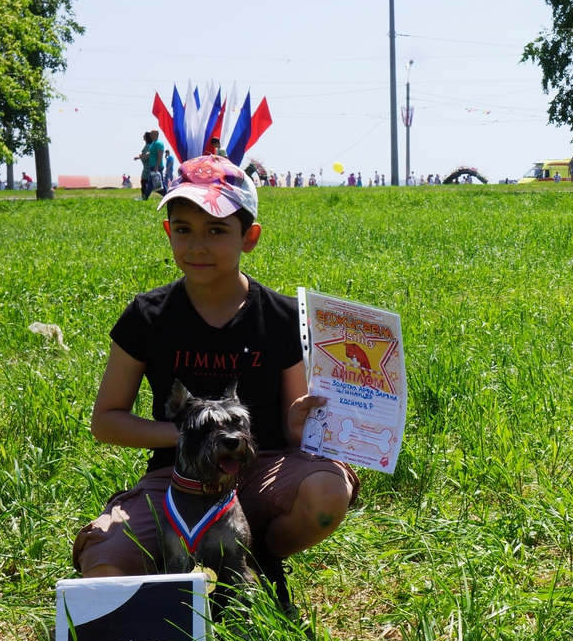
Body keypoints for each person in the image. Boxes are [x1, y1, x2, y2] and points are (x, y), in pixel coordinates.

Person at [74, 155, 360, 603]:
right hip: (176, 479)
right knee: (104, 567)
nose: (198, 246)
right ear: (169, 232)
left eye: (217, 230)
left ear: (250, 238)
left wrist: (303, 422)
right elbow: (106, 421)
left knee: (327, 493)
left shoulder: (283, 316)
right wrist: (193, 436)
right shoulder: (147, 316)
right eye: (184, 229)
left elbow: (290, 426)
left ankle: (253, 559)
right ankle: (190, 568)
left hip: (261, 467)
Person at [135, 130, 166, 201]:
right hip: (153, 166)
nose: (150, 135)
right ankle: (145, 197)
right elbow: (150, 153)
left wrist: (157, 166)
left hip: (157, 166)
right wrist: (141, 157)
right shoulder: (153, 143)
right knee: (152, 184)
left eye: (151, 134)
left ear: (155, 134)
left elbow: (160, 155)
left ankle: (167, 196)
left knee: (159, 184)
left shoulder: (159, 143)